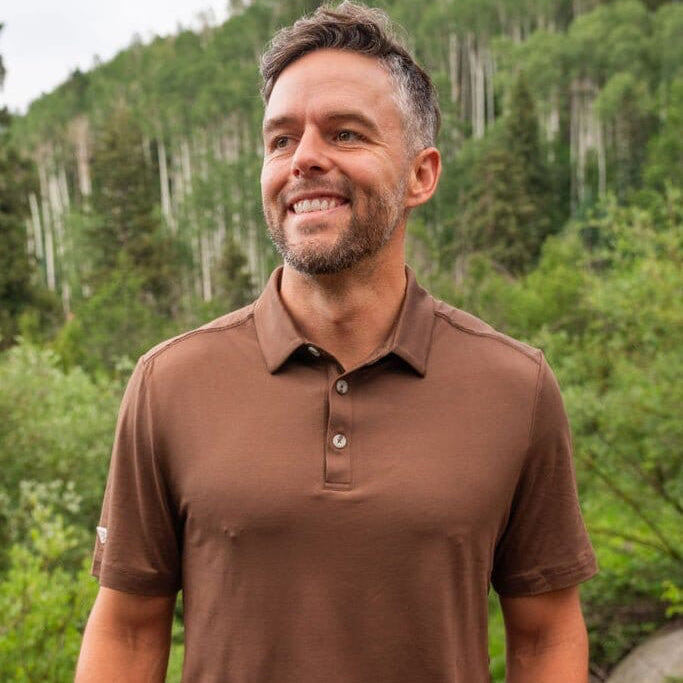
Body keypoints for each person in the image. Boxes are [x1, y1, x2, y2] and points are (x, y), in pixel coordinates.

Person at [75, 3, 598, 682]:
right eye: (281, 139)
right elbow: (126, 630)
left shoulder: (514, 386)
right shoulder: (169, 383)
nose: (304, 159)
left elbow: (546, 634)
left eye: (345, 133)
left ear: (420, 175)